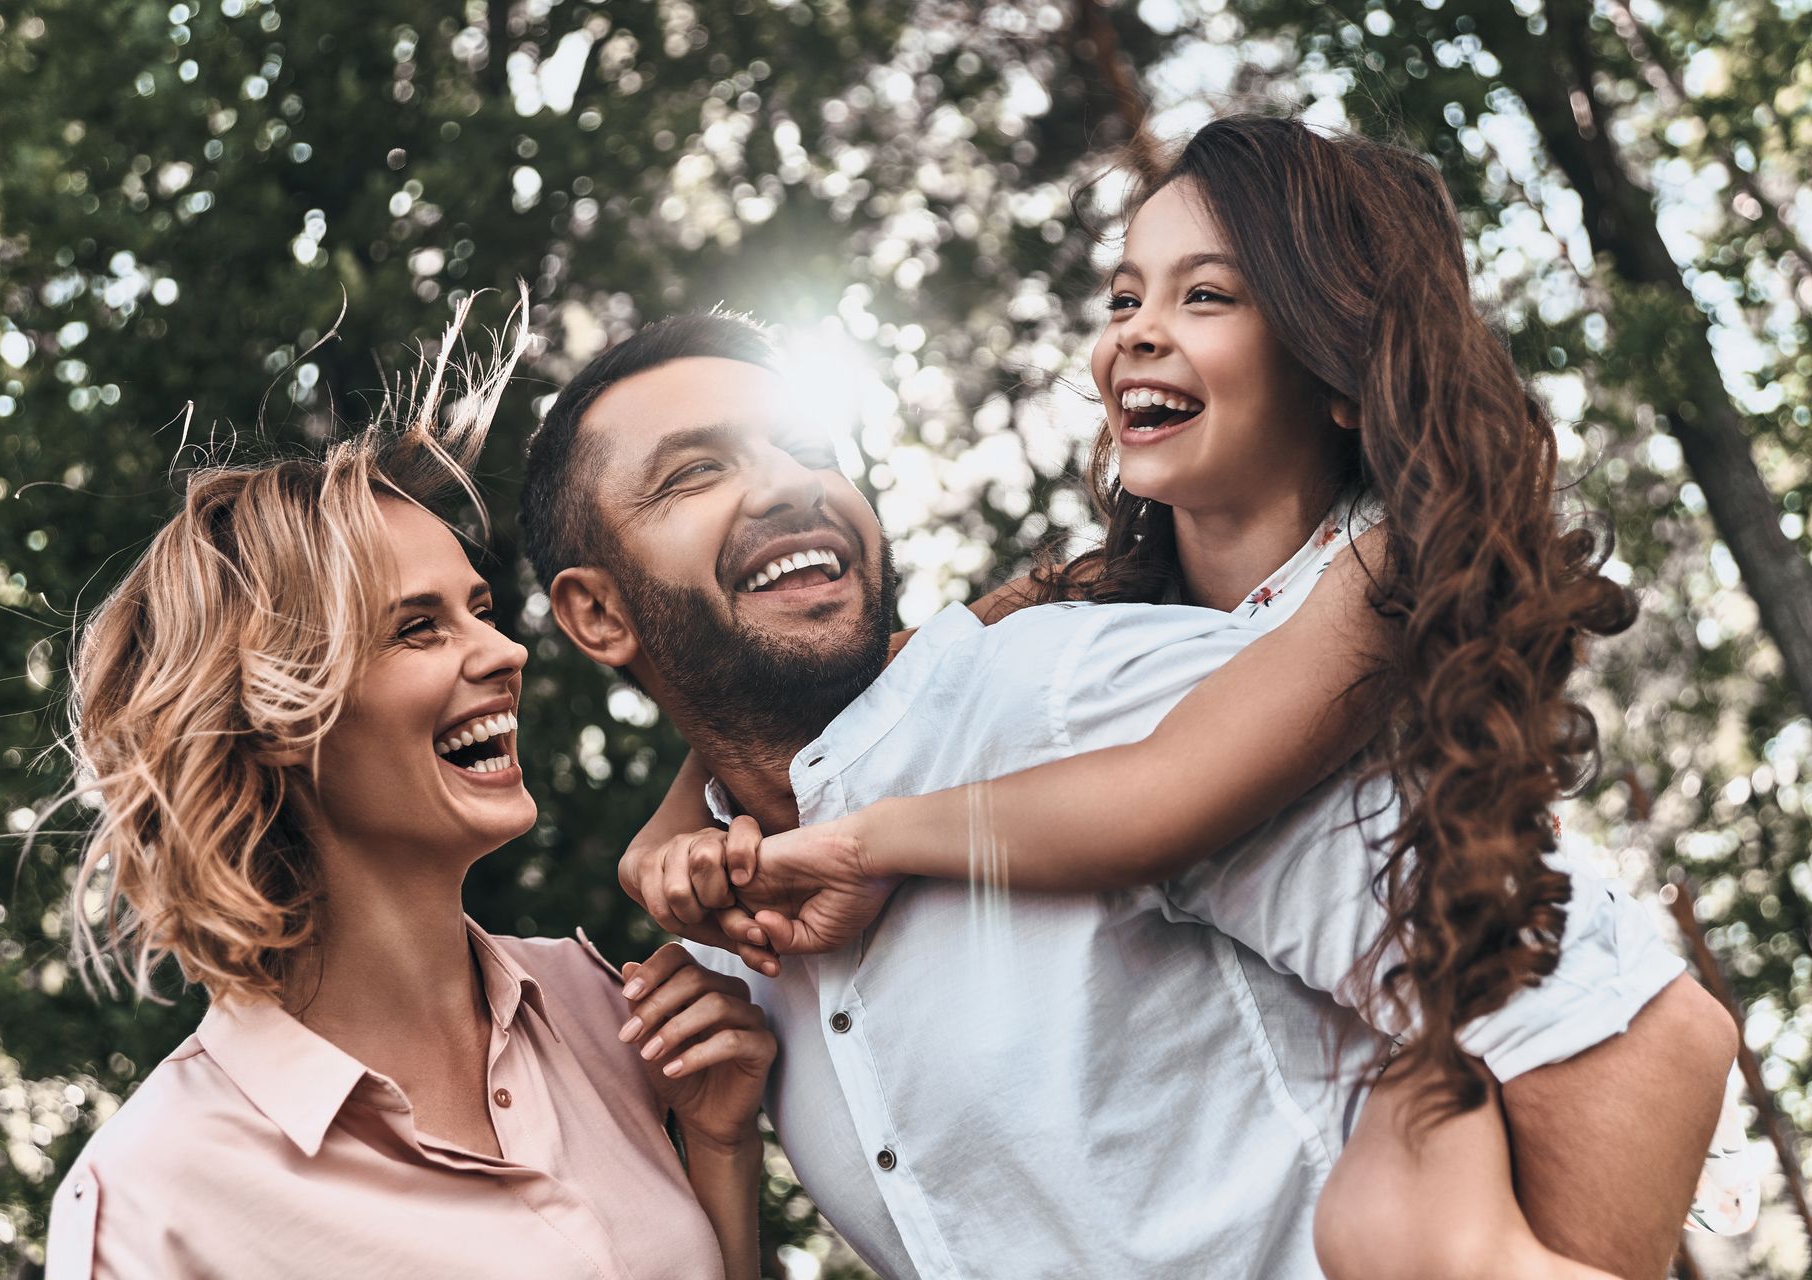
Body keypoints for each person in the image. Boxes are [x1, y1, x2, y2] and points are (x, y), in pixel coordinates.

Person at [620, 116, 1753, 1277]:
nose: (1138, 336)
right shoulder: (1101, 608)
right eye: (1122, 300)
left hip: (1482, 1121)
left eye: (1206, 297)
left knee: (1392, 1219)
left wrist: (875, 842)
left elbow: (1167, 789)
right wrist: (670, 829)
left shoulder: (1369, 583)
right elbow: (877, 672)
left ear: (1338, 371)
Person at [42, 298, 774, 1280]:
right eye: (418, 627)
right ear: (273, 713)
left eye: (479, 607)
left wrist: (720, 1149)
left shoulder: (605, 1008)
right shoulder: (153, 1199)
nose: (506, 650)